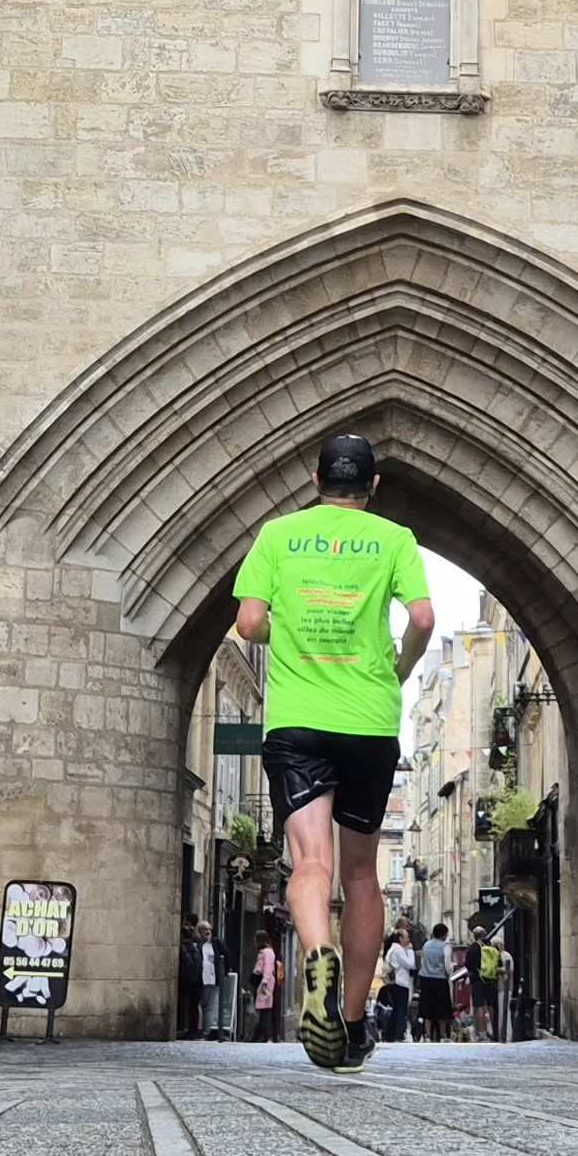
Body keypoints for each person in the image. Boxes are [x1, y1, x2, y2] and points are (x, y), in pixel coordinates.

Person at [234, 431, 435, 1072]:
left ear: (315, 482)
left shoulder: (276, 535)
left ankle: (316, 949)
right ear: (373, 487)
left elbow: (247, 623)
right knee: (359, 874)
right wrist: (398, 669)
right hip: (368, 720)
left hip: (297, 721)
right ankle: (350, 1023)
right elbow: (424, 618)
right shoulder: (395, 539)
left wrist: (283, 627)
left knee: (309, 864)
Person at [417, 920, 456, 1041]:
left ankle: (427, 1034)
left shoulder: (426, 945)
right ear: (443, 934)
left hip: (426, 978)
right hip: (440, 979)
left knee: (427, 1007)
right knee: (442, 1008)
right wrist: (450, 971)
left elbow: (422, 962)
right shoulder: (445, 947)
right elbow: (447, 965)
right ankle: (443, 1034)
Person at [380, 926, 417, 1042]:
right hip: (401, 982)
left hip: (394, 983)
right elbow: (411, 964)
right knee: (401, 1010)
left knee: (395, 1009)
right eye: (406, 937)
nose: (408, 939)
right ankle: (399, 1034)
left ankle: (390, 1034)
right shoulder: (398, 951)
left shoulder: (392, 950)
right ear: (400, 938)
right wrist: (410, 951)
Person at [247, 933, 280, 1042]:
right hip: (261, 981)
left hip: (264, 982)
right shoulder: (265, 952)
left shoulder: (267, 952)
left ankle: (259, 1036)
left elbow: (267, 967)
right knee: (263, 1009)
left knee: (265, 1009)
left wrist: (265, 981)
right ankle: (263, 1036)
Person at [473, 932, 506, 1042]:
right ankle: (495, 1031)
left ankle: (483, 1033)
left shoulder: (474, 948)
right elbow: (499, 965)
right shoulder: (493, 950)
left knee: (480, 1006)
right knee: (492, 1006)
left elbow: (468, 965)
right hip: (491, 981)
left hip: (478, 981)